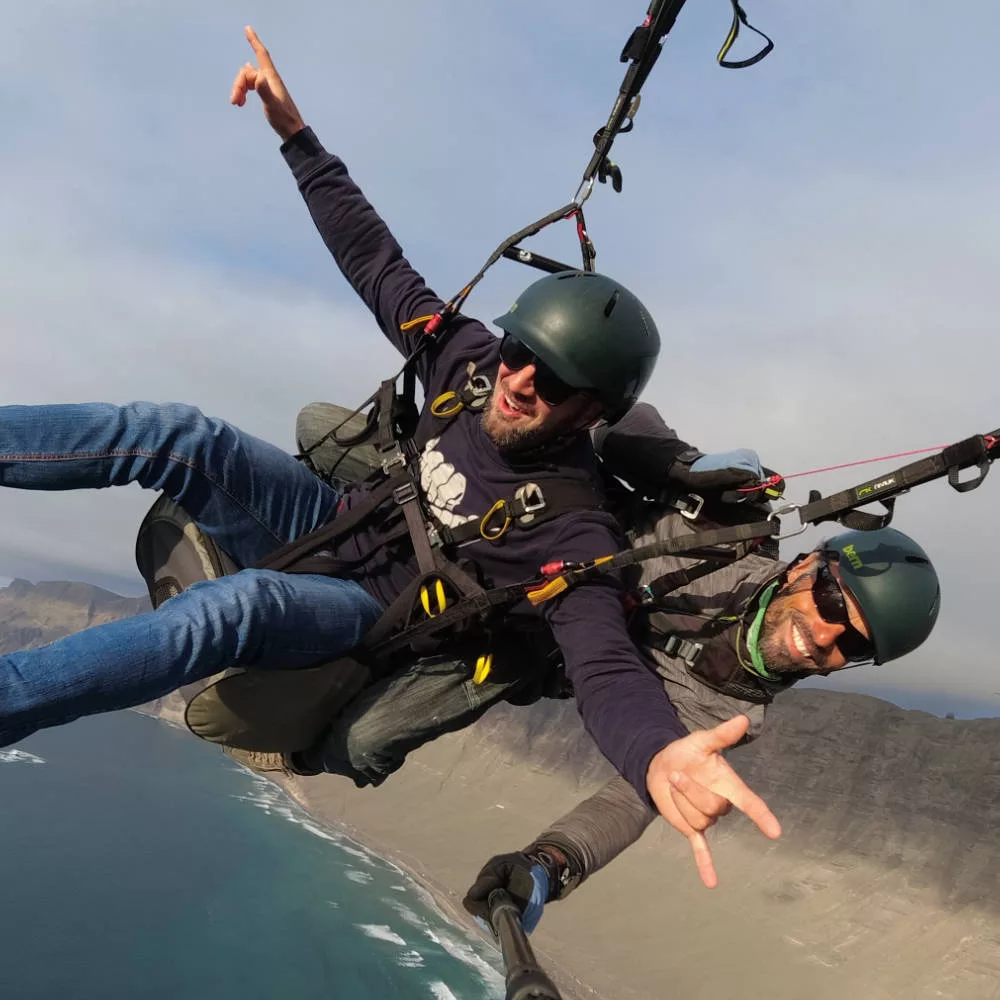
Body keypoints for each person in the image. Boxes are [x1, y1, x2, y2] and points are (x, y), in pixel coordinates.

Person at [0, 26, 777, 886]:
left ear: (594, 409)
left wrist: (657, 755)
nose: (518, 382)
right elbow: (376, 261)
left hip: (366, 608)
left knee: (236, 609)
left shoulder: (574, 528)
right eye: (520, 353)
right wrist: (297, 137)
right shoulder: (471, 364)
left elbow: (600, 664)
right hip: (330, 515)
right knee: (180, 434)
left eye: (551, 382)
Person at [460, 523, 940, 926]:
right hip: (487, 548)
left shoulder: (728, 717)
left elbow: (640, 793)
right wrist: (672, 463)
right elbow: (606, 437)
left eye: (854, 644)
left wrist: (548, 864)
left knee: (380, 740)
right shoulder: (718, 535)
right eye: (832, 600)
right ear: (803, 567)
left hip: (490, 653)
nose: (824, 634)